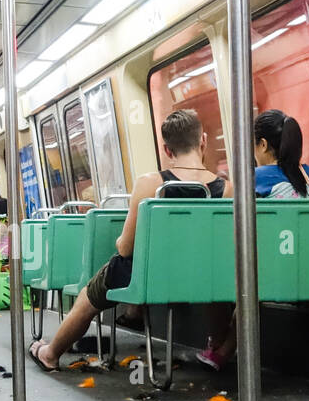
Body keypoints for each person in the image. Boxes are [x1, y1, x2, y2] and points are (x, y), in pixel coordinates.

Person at [29, 109, 232, 371]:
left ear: (167, 150)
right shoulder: (225, 189)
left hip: (150, 275)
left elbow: (126, 246)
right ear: (203, 140)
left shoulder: (151, 184)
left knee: (90, 294)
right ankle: (216, 346)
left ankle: (50, 354)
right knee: (215, 274)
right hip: (201, 273)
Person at [197, 109, 309, 369]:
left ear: (263, 144)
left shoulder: (258, 177)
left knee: (211, 274)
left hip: (274, 269)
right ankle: (221, 349)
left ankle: (219, 347)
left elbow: (226, 218)